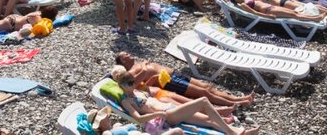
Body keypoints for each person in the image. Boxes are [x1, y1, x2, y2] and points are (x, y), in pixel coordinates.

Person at [110, 66, 258, 135]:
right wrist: (158, 114)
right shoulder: (126, 101)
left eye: (133, 81)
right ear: (122, 86)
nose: (133, 84)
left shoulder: (138, 92)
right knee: (203, 101)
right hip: (167, 115)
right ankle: (232, 132)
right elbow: (138, 118)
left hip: (171, 107)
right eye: (129, 83)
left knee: (208, 120)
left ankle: (240, 133)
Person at [113, 52, 253, 110]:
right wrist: (149, 72)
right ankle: (236, 103)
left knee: (207, 86)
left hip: (174, 73)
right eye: (126, 55)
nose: (129, 54)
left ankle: (238, 98)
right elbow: (136, 87)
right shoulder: (130, 73)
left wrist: (144, 65)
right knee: (203, 92)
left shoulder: (138, 64)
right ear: (123, 61)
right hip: (169, 81)